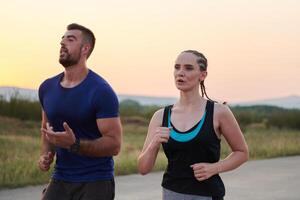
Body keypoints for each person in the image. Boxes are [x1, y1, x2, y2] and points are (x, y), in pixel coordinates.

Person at [137, 50, 249, 200]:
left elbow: (242, 152)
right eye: (177, 67)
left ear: (202, 75)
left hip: (207, 194)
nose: (180, 73)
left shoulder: (218, 112)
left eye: (188, 68)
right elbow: (143, 168)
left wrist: (214, 168)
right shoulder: (160, 116)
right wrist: (153, 144)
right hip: (171, 193)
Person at [38, 23, 122, 200]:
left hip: (95, 181)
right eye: (62, 39)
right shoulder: (47, 88)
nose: (62, 43)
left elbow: (114, 145)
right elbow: (47, 130)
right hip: (60, 177)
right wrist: (46, 154)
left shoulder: (101, 91)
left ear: (85, 49)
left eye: (70, 39)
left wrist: (74, 144)